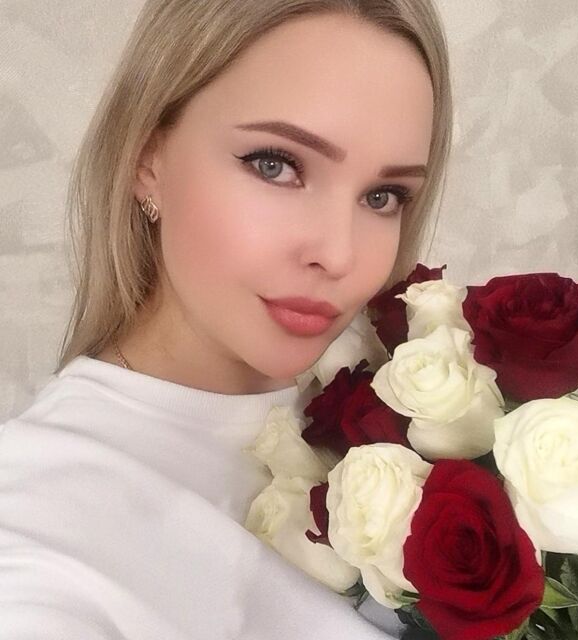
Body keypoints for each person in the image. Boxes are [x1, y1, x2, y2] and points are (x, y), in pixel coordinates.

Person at [0, 0, 452, 637]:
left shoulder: (420, 412)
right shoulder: (32, 537)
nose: (338, 254)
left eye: (384, 196)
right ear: (147, 156)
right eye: (276, 164)